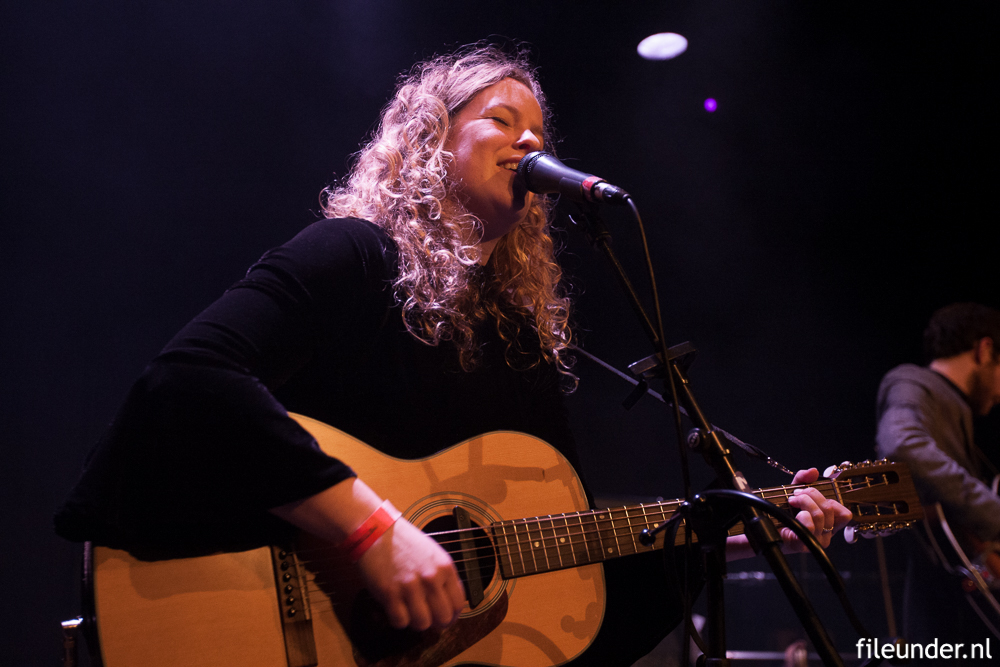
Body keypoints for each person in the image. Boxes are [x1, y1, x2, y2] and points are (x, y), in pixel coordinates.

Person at [55, 45, 850, 665]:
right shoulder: (352, 257)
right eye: (502, 118)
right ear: (430, 137)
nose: (530, 139)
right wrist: (371, 531)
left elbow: (571, 615)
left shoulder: (519, 341)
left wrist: (716, 535)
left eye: (538, 129)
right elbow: (187, 382)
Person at [875, 302, 1000, 660]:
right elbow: (902, 444)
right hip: (939, 621)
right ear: (984, 350)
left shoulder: (954, 410)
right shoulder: (912, 383)